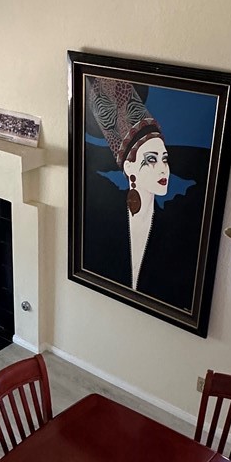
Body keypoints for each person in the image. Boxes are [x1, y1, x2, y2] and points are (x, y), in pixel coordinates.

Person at [83, 76, 203, 312]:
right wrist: (123, 153)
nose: (162, 168)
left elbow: (207, 167)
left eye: (166, 159)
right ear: (129, 168)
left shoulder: (177, 218)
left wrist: (149, 148)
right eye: (150, 160)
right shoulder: (103, 213)